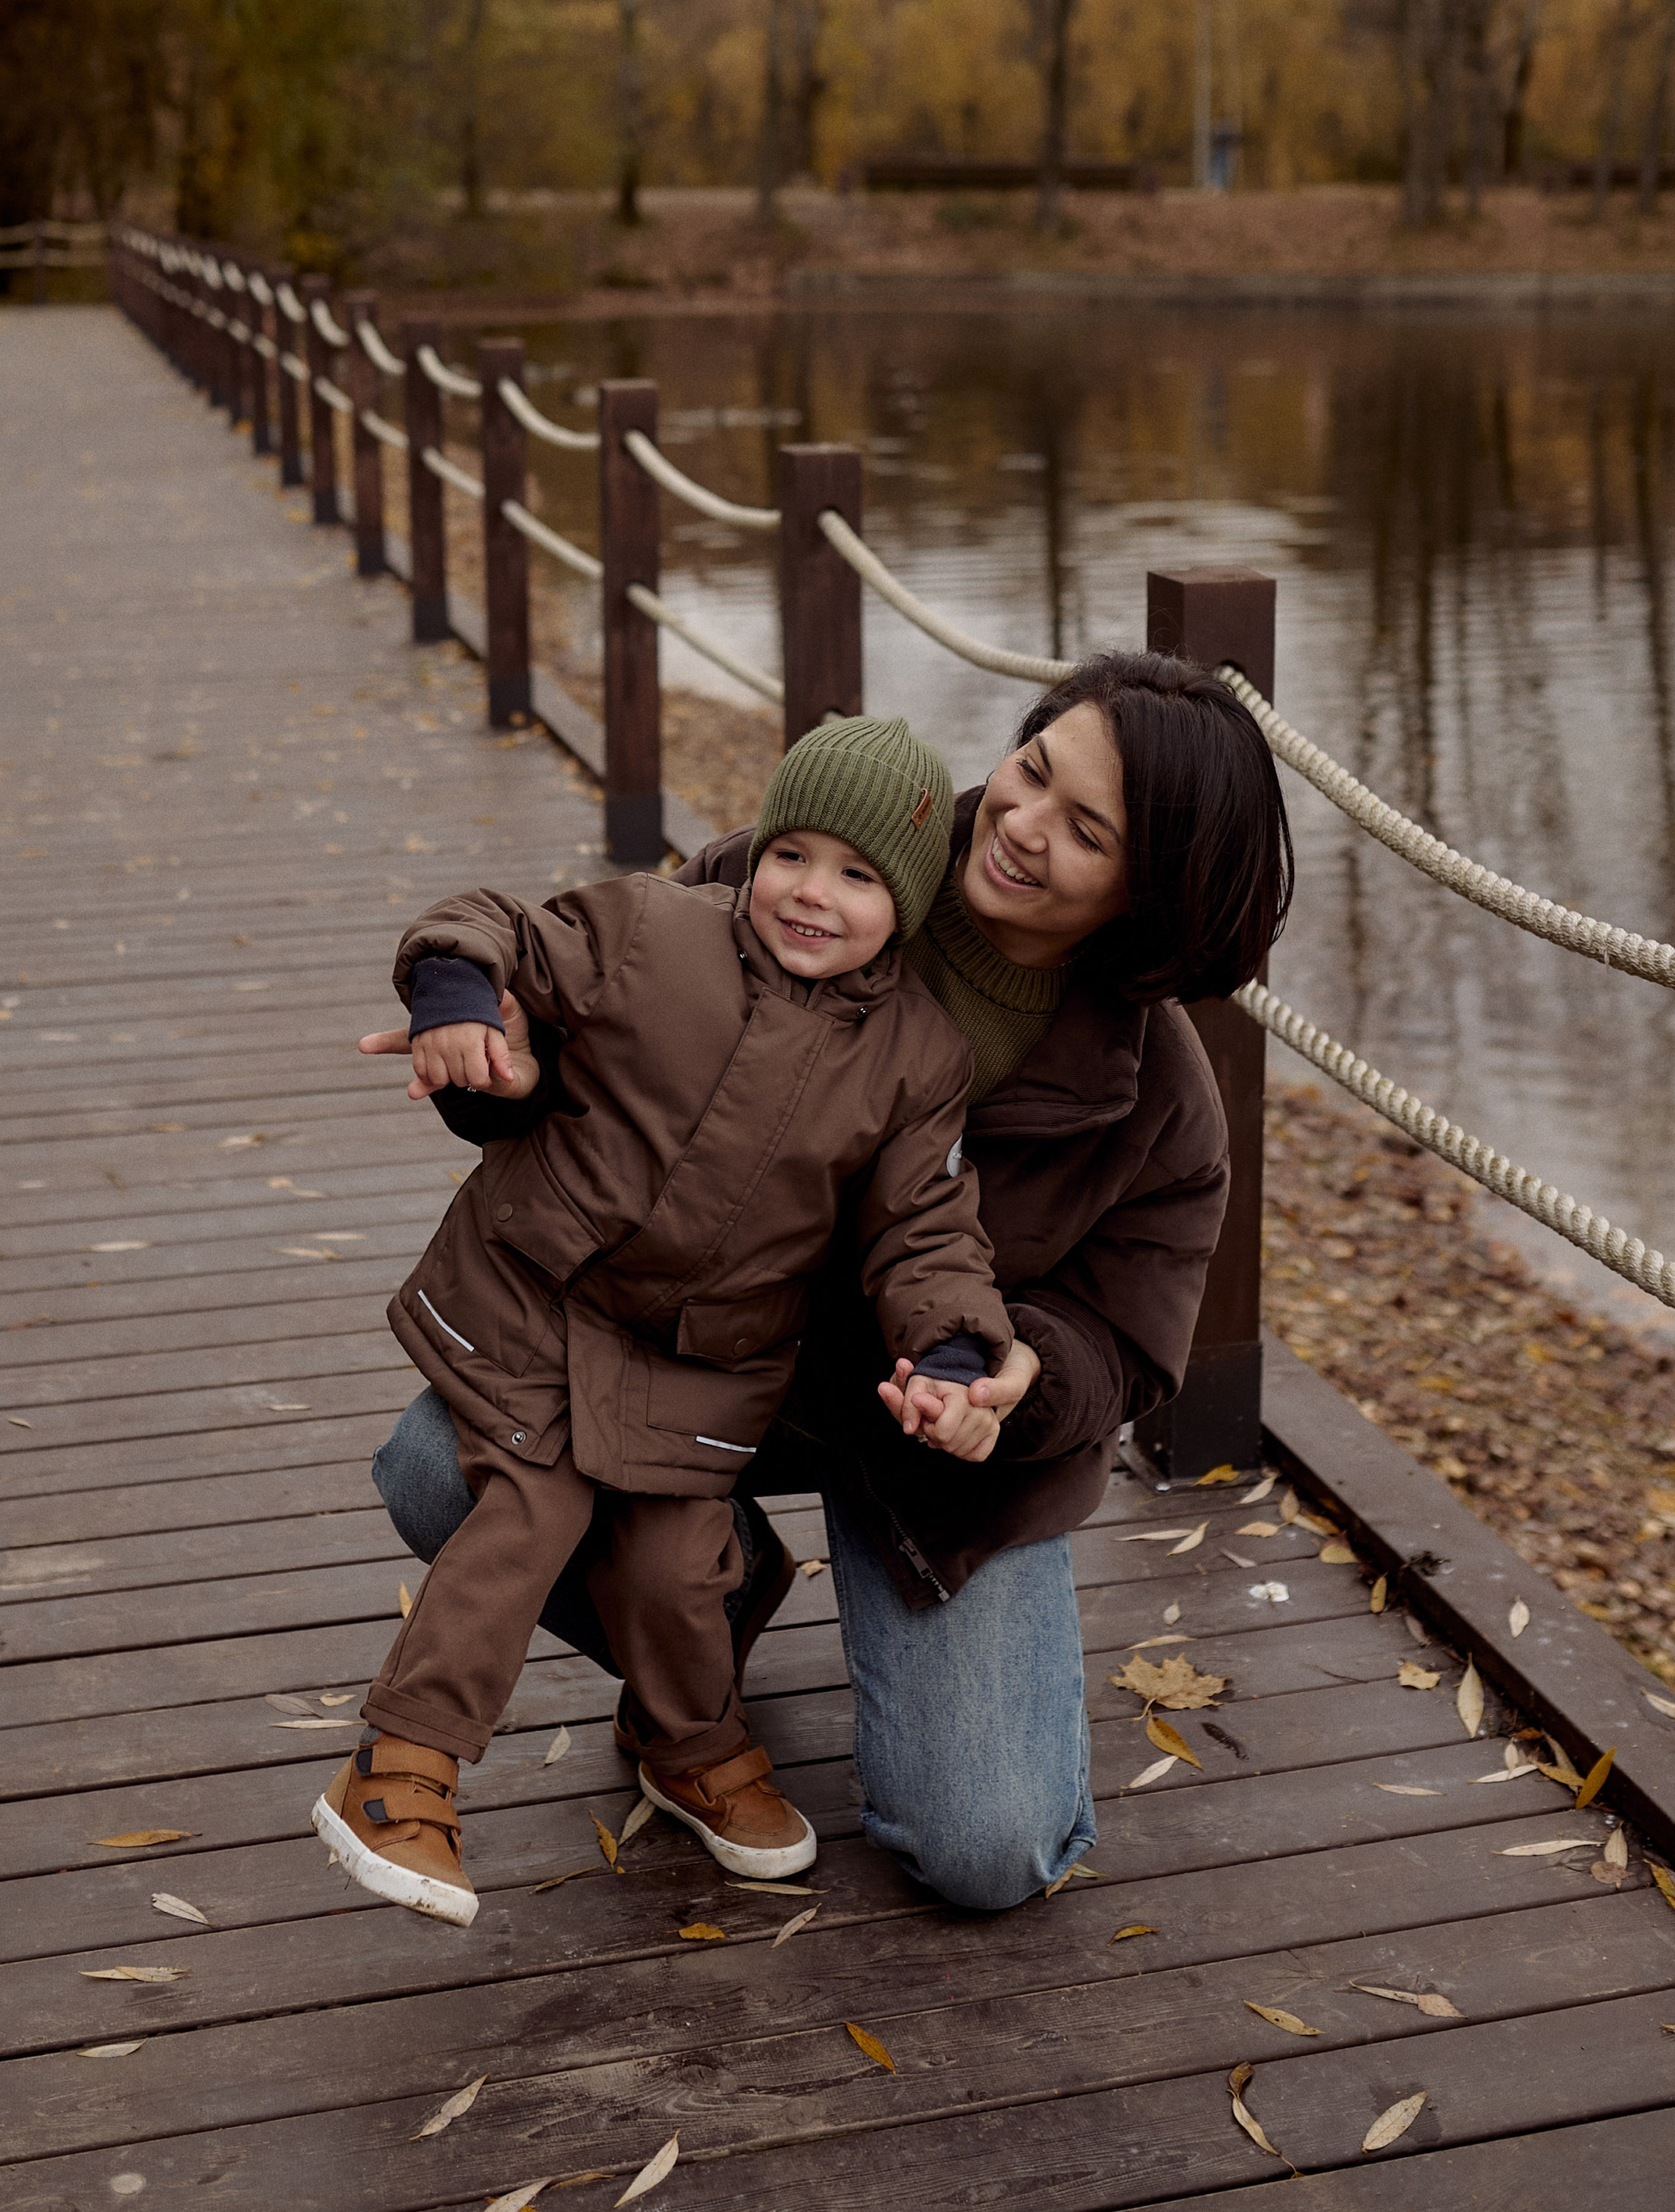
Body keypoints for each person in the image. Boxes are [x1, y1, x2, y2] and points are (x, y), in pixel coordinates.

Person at [370, 649, 1292, 1914]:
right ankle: (710, 1602)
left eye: (1085, 830)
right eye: (1030, 770)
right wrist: (491, 1069)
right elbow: (592, 1048)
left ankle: (734, 1612)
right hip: (684, 1365)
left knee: (988, 1850)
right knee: (436, 1467)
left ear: (1150, 895)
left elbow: (1129, 1344)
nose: (1019, 824)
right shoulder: (822, 861)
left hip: (927, 1451)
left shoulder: (1165, 1104)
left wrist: (1015, 1375)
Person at [319, 713, 1016, 1926]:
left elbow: (926, 1227)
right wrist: (453, 990)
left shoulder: (916, 1058)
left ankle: (683, 1740)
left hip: (700, 1366)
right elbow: (505, 929)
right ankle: (400, 1767)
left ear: (906, 904)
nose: (813, 894)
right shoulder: (655, 930)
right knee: (530, 1505)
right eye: (793, 854)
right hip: (540, 1302)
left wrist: (953, 1347)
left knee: (676, 1559)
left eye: (858, 876)